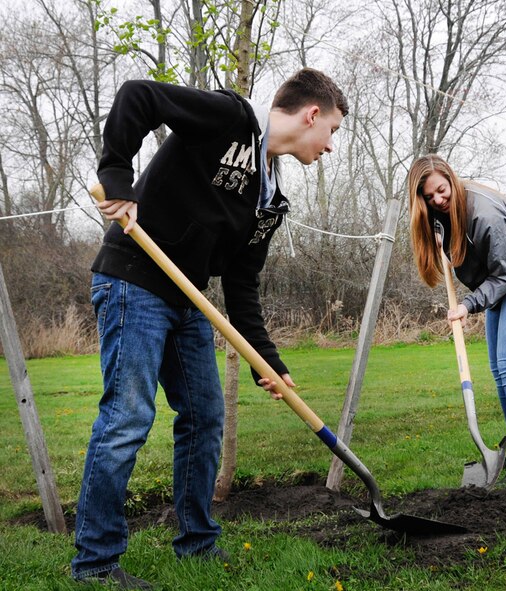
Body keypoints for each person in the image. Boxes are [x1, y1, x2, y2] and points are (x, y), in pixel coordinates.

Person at [72, 69, 348, 589]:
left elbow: (243, 285)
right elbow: (140, 95)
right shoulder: (229, 118)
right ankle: (95, 563)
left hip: (187, 300)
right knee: (127, 418)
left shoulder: (270, 199)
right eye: (331, 131)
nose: (329, 146)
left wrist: (268, 359)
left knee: (204, 418)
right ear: (312, 115)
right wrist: (116, 174)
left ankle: (197, 541)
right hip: (134, 282)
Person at [407, 154, 506, 485]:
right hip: (501, 279)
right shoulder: (439, 217)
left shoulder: (484, 214)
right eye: (429, 198)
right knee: (499, 370)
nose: (438, 200)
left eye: (442, 191)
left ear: (451, 179)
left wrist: (469, 304)